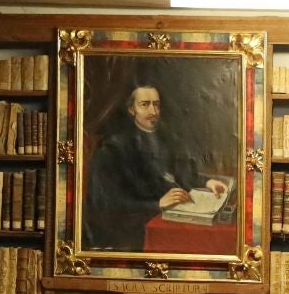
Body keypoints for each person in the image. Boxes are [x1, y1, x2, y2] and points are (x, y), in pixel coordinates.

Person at [83, 82, 228, 251]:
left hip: (169, 217)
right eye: (145, 105)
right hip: (129, 232)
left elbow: (178, 174)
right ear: (131, 110)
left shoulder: (166, 139)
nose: (153, 112)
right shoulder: (113, 148)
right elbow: (108, 203)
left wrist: (207, 182)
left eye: (156, 105)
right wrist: (157, 204)